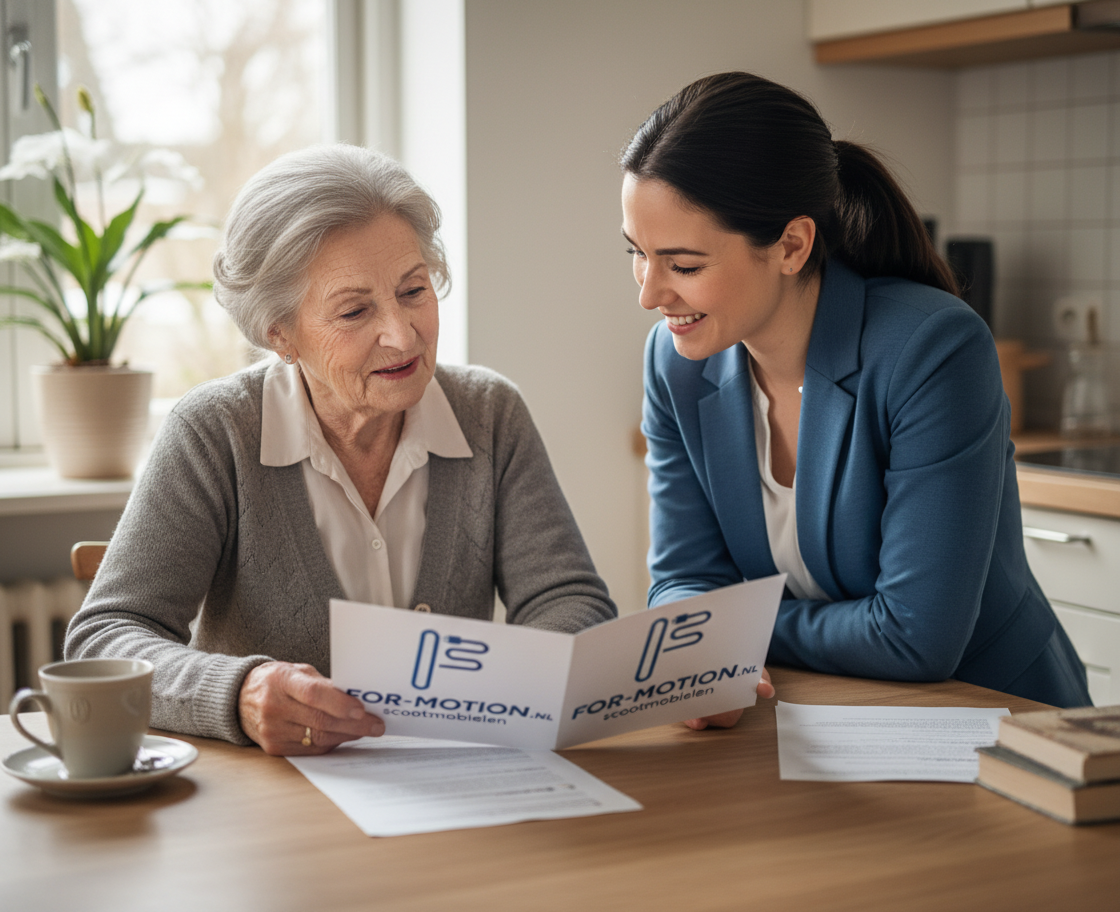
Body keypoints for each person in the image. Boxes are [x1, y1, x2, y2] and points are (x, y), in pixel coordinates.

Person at [66, 144, 616, 755]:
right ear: (280, 333)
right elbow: (105, 639)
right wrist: (241, 692)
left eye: (414, 290)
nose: (402, 335)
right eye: (354, 310)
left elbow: (570, 602)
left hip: (463, 784)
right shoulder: (214, 431)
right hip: (271, 811)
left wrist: (522, 683)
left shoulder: (489, 413)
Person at [620, 72, 1091, 721]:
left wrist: (731, 635)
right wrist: (698, 650)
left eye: (685, 265)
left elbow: (915, 636)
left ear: (791, 246)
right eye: (637, 254)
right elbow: (684, 575)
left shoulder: (932, 349)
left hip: (994, 725)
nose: (649, 293)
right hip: (822, 713)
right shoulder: (674, 363)